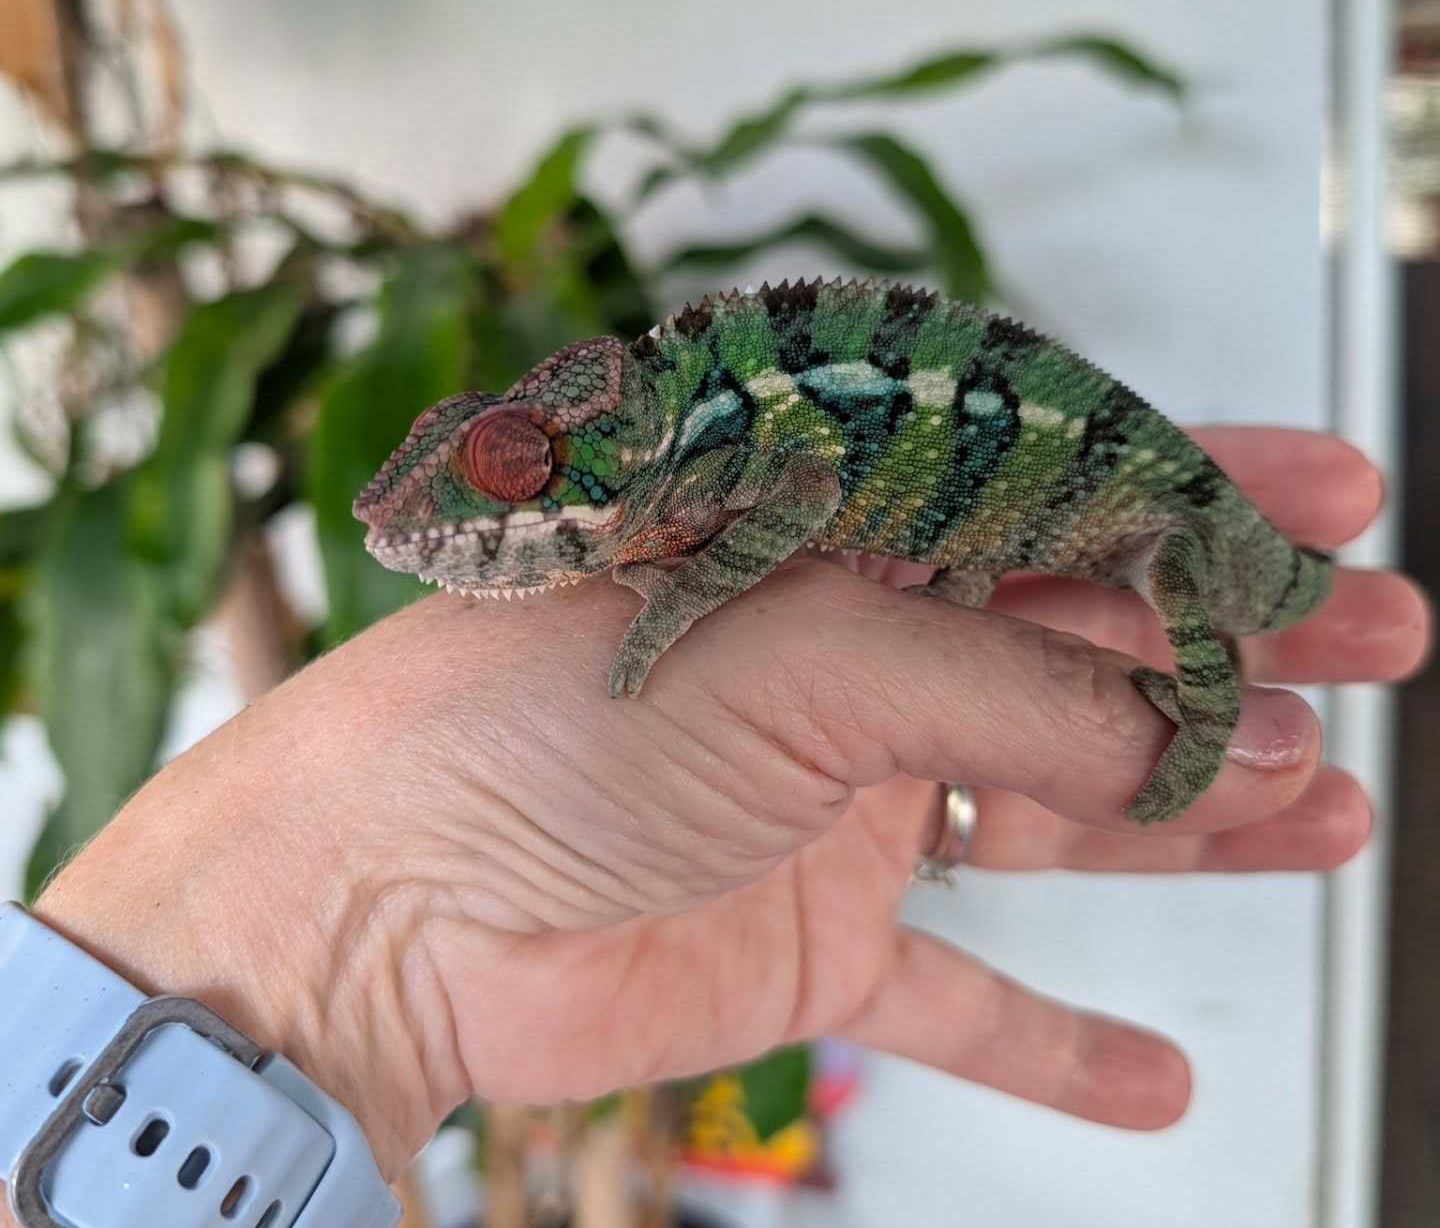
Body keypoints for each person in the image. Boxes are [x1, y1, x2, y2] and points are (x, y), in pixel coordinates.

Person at [3, 427, 1428, 1208]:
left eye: (507, 473)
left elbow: (809, 481)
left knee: (1208, 604)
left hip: (1077, 495)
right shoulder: (666, 475)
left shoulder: (707, 452)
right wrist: (364, 920)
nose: (472, 525)